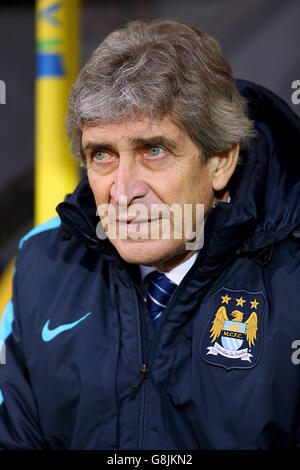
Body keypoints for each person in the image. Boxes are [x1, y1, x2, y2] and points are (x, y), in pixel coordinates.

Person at [0, 18, 300, 450]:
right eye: (102, 154)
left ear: (220, 162)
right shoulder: (43, 264)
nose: (123, 191)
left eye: (153, 150)